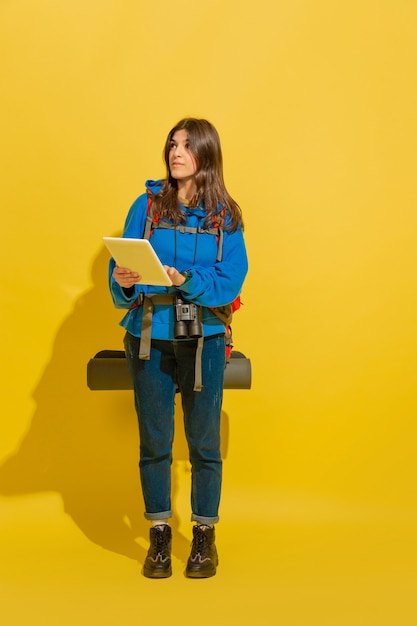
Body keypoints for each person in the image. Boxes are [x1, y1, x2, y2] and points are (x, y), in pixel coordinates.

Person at [108, 118, 248, 578]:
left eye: (187, 145)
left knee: (204, 443)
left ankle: (205, 537)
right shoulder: (146, 206)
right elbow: (120, 279)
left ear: (206, 154)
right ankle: (160, 536)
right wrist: (125, 280)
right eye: (172, 143)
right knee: (155, 443)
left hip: (203, 340)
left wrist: (186, 281)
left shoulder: (226, 216)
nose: (176, 151)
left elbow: (230, 282)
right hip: (150, 338)